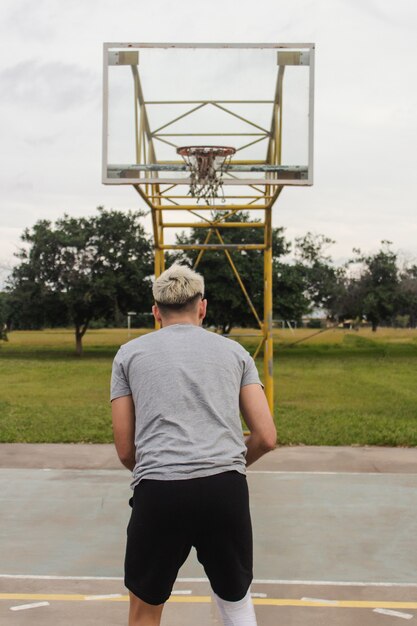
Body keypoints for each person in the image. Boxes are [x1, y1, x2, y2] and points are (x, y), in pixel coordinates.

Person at [111, 263, 276, 626]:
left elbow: (125, 450)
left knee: (144, 610)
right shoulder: (236, 353)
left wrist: (162, 465)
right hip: (224, 490)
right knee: (235, 602)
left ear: (156, 311)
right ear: (202, 307)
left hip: (159, 489)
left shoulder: (128, 354)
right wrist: (227, 464)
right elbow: (266, 436)